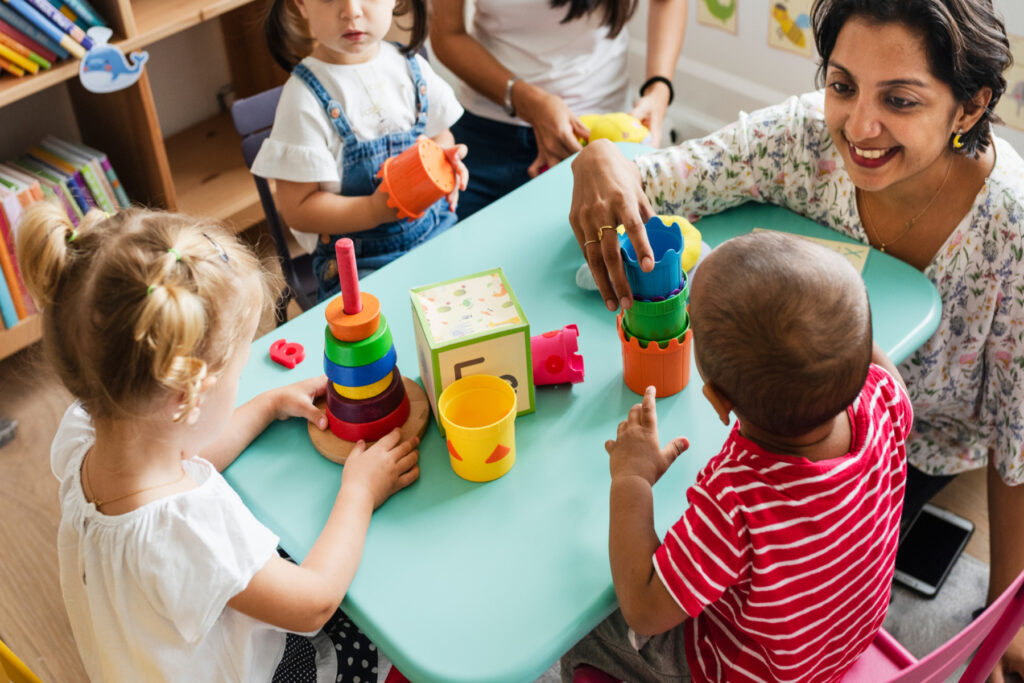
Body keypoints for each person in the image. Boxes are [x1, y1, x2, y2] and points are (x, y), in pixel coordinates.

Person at [567, 1, 1024, 679]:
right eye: (841, 86)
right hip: (860, 456)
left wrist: (1006, 608)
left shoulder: (1010, 223)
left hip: (914, 457)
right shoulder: (885, 393)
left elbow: (1018, 433)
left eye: (899, 99)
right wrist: (601, 156)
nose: (859, 127)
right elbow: (657, 180)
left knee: (586, 600)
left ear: (968, 107)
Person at [15, 202, 421, 681]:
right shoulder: (188, 530)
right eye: (238, 374)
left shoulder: (86, 432)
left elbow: (180, 454)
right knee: (375, 630)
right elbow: (313, 602)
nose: (242, 382)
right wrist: (359, 493)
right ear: (188, 398)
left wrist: (267, 405)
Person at [561, 231, 912, 682]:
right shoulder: (883, 399)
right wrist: (840, 327)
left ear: (719, 401)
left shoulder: (738, 500)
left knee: (585, 620)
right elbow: (880, 369)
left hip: (746, 671)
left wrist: (632, 478)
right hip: (836, 647)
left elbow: (644, 610)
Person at [255, 0, 469, 300]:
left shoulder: (411, 66)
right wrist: (372, 210)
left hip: (437, 232)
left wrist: (446, 162)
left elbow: (441, 137)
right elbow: (298, 209)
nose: (352, 11)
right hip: (360, 264)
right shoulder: (303, 99)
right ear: (301, 5)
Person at [430, 0, 687, 220]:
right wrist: (527, 100)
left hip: (601, 134)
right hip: (487, 135)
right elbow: (446, 34)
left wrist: (659, 89)